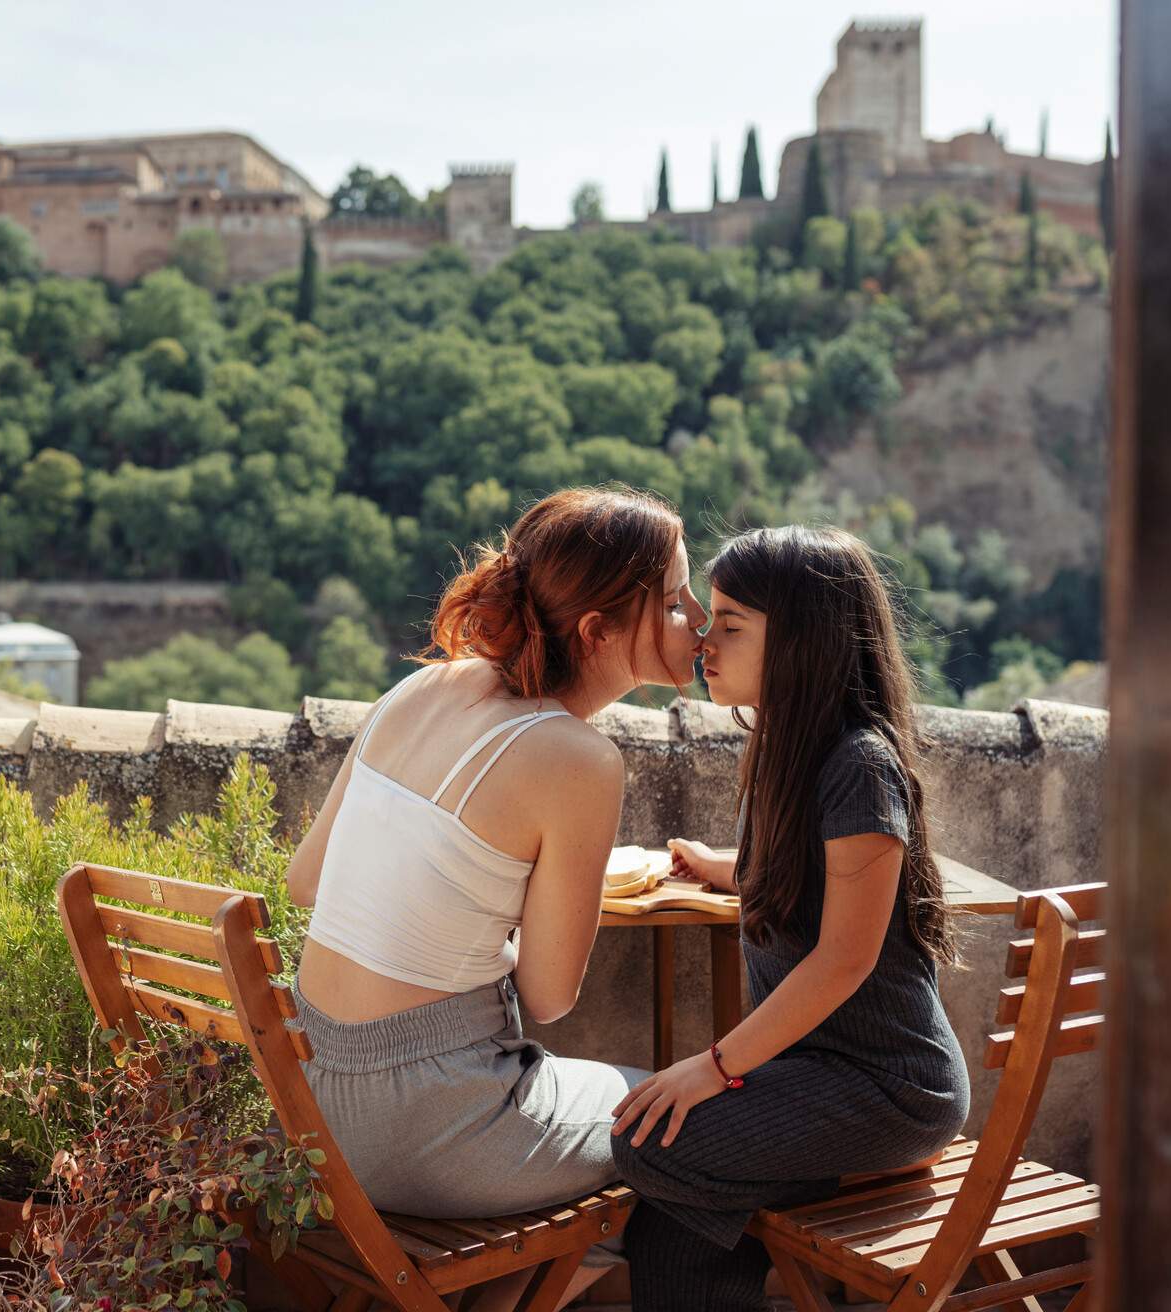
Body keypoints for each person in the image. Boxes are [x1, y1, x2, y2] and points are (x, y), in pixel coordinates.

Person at [284, 485, 705, 1311]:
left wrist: (457, 904)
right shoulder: (578, 759)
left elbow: (308, 879)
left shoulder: (421, 689)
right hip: (431, 1120)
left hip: (311, 1109)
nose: (697, 615)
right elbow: (548, 997)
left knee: (640, 1125)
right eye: (674, 600)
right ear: (598, 631)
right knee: (688, 1126)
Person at [610, 524, 971, 1311]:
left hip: (891, 1090)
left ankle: (833, 1167)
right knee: (669, 1229)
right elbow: (818, 878)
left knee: (646, 1143)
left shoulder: (860, 765)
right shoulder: (791, 750)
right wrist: (728, 869)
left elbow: (843, 957)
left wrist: (711, 1068)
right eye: (708, 618)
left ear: (806, 639)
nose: (705, 639)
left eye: (732, 624)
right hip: (816, 1077)